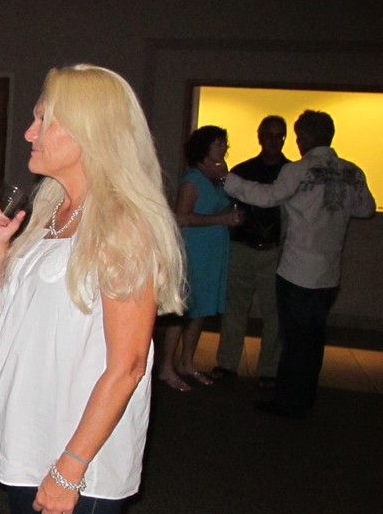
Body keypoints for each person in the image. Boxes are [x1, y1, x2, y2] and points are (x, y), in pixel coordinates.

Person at [0, 64, 184, 514]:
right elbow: (18, 322)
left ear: (88, 130)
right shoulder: (54, 211)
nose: (29, 133)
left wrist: (70, 468)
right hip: (33, 437)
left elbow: (127, 366)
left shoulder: (122, 226)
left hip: (78, 453)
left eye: (44, 120)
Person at [221, 109, 376, 418]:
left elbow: (267, 197)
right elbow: (367, 209)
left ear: (302, 138)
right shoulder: (352, 172)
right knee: (314, 339)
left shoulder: (298, 170)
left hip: (297, 270)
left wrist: (229, 180)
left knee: (293, 340)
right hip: (329, 272)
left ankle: (288, 401)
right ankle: (304, 397)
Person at [156, 125, 243, 391]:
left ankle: (187, 362)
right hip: (195, 249)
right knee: (184, 309)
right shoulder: (193, 179)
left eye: (224, 143)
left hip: (213, 249)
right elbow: (181, 217)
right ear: (205, 148)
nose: (223, 148)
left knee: (201, 308)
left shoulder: (219, 177)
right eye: (218, 143)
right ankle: (167, 366)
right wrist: (221, 219)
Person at [212, 116, 290, 386]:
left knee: (274, 313)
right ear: (260, 137)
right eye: (269, 135)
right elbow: (227, 205)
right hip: (242, 247)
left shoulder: (291, 173)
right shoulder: (243, 171)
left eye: (279, 136)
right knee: (235, 309)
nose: (273, 141)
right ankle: (227, 364)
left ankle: (269, 369)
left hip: (274, 251)